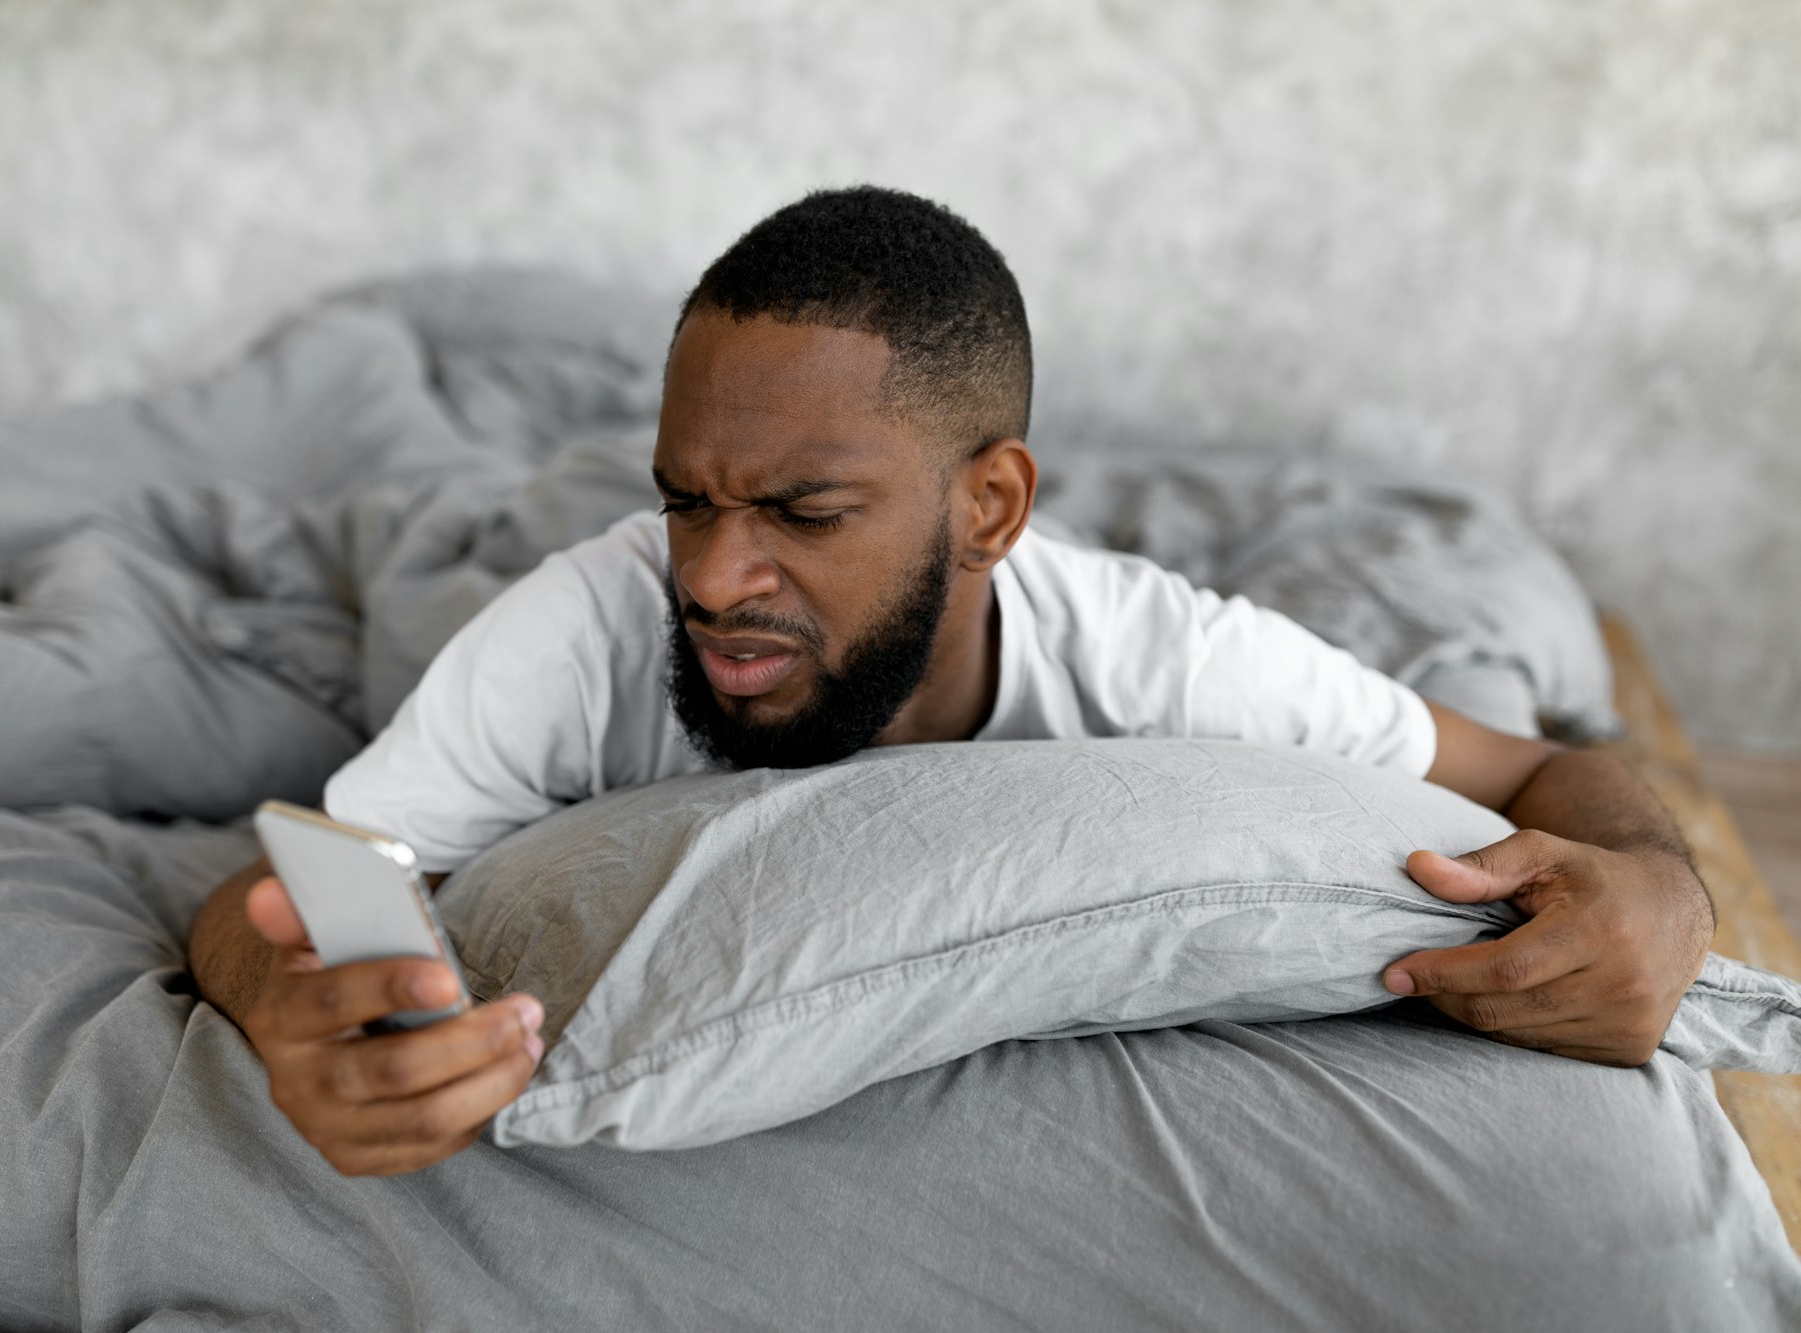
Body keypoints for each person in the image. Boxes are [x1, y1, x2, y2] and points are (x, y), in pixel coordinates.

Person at [188, 186, 1715, 1178]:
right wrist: (293, 1003)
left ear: (988, 509)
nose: (714, 576)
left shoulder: (1155, 652)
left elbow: (1527, 771)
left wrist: (1662, 883)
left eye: (804, 512)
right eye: (686, 498)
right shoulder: (582, 624)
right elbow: (302, 871)